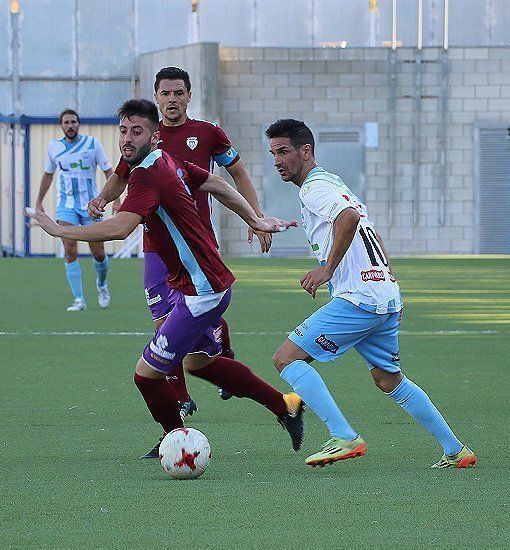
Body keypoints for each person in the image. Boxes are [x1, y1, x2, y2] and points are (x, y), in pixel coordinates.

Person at [28, 99, 304, 458]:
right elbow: (217, 186)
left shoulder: (147, 175)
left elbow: (121, 227)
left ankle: (175, 439)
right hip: (200, 284)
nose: (127, 139)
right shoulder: (165, 161)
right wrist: (254, 218)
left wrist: (61, 230)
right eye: (123, 131)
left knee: (145, 374)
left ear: (154, 135)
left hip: (202, 290)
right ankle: (285, 406)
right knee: (195, 361)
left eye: (136, 131)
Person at [265, 119, 475, 469]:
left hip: (358, 298)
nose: (277, 160)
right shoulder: (334, 183)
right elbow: (366, 228)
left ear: (306, 151)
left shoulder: (314, 188)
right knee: (388, 379)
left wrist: (327, 270)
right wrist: (391, 284)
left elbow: (347, 218)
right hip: (382, 295)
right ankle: (456, 450)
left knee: (287, 358)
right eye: (273, 153)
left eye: (284, 151)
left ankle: (344, 436)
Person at [89, 66, 268, 419]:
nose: (172, 100)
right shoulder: (145, 137)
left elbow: (236, 173)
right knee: (162, 323)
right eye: (165, 94)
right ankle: (182, 398)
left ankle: (223, 357)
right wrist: (101, 199)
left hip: (199, 242)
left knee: (203, 307)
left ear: (189, 95)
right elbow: (119, 177)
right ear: (157, 97)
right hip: (157, 245)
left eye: (178, 93)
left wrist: (256, 216)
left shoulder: (208, 134)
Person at [35, 109, 115, 311]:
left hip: (91, 205)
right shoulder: (54, 148)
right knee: (70, 249)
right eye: (66, 122)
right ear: (61, 125)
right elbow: (48, 174)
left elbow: (109, 171)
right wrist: (39, 201)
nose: (70, 125)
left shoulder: (92, 144)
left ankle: (102, 284)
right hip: (66, 206)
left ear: (78, 124)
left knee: (98, 252)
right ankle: (79, 299)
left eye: (73, 122)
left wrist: (117, 199)